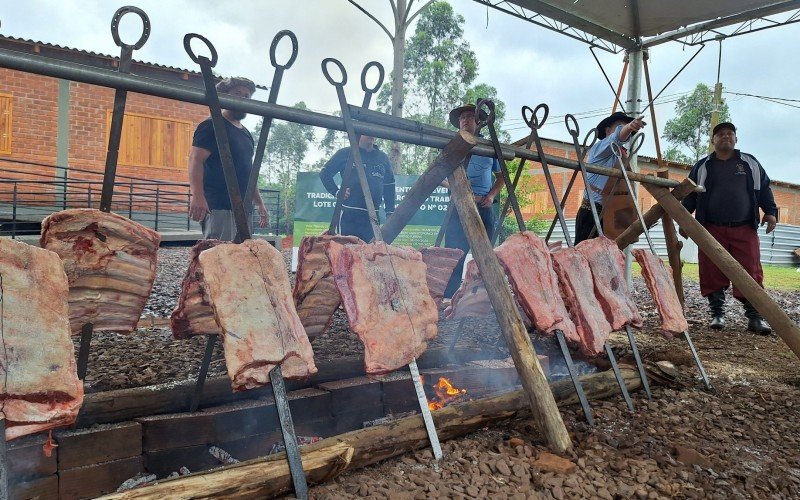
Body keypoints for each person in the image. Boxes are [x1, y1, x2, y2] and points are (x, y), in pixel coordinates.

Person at [681, 122, 777, 334]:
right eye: (720, 134)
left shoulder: (749, 163)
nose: (726, 137)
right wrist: (684, 220)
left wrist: (770, 213)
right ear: (713, 140)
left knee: (751, 271)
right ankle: (717, 314)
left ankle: (755, 317)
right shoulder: (703, 166)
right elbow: (690, 194)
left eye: (730, 134)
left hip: (744, 228)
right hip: (711, 229)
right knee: (711, 270)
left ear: (736, 139)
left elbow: (764, 188)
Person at [188, 76, 268, 241]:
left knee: (242, 257)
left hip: (244, 207)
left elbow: (248, 172)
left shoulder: (246, 134)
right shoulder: (211, 126)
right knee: (219, 257)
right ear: (225, 95)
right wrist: (197, 196)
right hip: (219, 206)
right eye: (238, 93)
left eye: (246, 96)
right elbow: (195, 160)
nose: (242, 99)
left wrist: (259, 203)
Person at [442, 103, 504, 299]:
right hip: (458, 207)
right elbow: (440, 175)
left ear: (478, 122)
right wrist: (455, 187)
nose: (465, 120)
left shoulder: (488, 147)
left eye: (470, 116)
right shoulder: (451, 145)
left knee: (485, 255)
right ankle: (449, 298)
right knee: (454, 254)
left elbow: (502, 177)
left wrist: (492, 195)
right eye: (462, 118)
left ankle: (482, 298)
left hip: (483, 207)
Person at [574, 111, 646, 244]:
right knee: (585, 257)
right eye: (620, 126)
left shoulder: (621, 154)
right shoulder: (601, 148)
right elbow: (617, 137)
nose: (625, 130)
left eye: (626, 127)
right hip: (593, 212)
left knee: (612, 256)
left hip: (613, 212)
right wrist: (630, 127)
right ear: (608, 130)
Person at [319, 134, 395, 242]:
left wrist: (390, 212)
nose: (371, 134)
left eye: (372, 132)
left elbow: (389, 186)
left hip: (373, 218)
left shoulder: (383, 158)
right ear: (359, 133)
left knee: (372, 254)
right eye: (366, 131)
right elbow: (325, 173)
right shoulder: (345, 153)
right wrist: (336, 192)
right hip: (349, 216)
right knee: (347, 252)